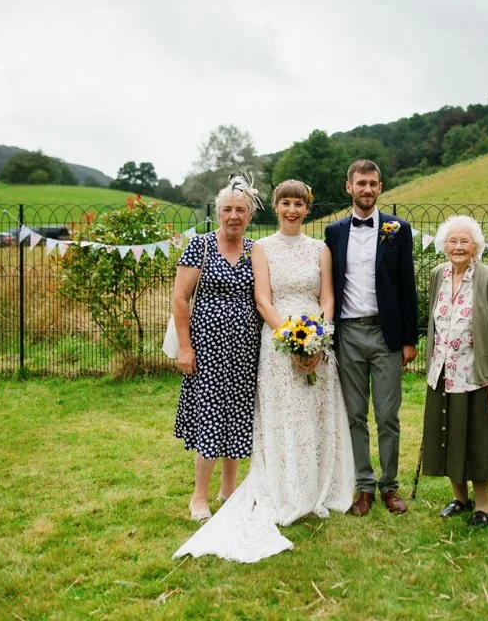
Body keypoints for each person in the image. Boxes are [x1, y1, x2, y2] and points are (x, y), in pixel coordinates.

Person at [174, 180, 354, 563]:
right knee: (253, 415)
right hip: (258, 342)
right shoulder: (251, 248)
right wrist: (291, 338)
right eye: (285, 203)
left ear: (307, 208)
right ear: (275, 207)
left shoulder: (311, 249)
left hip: (281, 343)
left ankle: (297, 487)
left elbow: (327, 296)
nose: (292, 209)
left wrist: (317, 339)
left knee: (271, 415)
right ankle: (210, 495)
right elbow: (259, 299)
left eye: (299, 204)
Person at [325, 160, 419, 516]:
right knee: (354, 415)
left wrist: (409, 339)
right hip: (348, 333)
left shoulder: (398, 229)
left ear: (380, 187)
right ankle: (363, 486)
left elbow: (407, 286)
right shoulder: (334, 232)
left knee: (388, 415)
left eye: (373, 183)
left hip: (386, 334)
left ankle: (389, 486)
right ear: (349, 187)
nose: (367, 189)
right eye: (361, 183)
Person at [172, 174, 263, 521]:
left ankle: (229, 490)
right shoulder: (201, 246)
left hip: (245, 350)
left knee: (238, 416)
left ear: (250, 215)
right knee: (210, 416)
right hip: (207, 350)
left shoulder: (256, 250)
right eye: (227, 209)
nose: (234, 216)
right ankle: (199, 497)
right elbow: (180, 298)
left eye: (240, 210)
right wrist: (185, 347)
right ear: (217, 213)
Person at [422, 215, 488, 528]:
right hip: (442, 374)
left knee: (478, 441)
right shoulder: (438, 274)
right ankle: (460, 498)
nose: (458, 246)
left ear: (476, 246)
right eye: (453, 241)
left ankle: (486, 506)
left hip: (476, 376)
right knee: (447, 435)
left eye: (465, 241)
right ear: (444, 245)